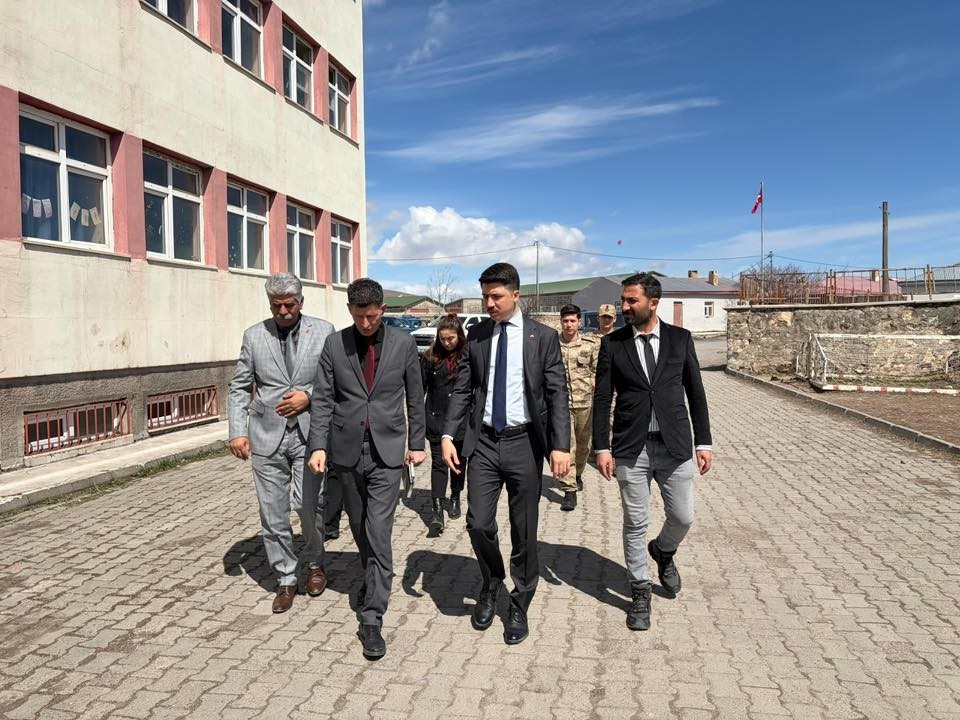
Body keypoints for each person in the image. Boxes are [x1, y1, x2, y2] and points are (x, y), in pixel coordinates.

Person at [442, 262, 570, 645]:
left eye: (496, 296)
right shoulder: (478, 335)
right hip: (482, 442)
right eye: (485, 296)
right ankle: (492, 580)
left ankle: (520, 600)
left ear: (516, 295)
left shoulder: (542, 338)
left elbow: (556, 393)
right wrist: (448, 434)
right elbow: (463, 389)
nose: (489, 303)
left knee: (523, 529)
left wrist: (560, 445)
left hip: (524, 443)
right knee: (477, 522)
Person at [307, 278, 426, 660]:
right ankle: (373, 576)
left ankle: (372, 616)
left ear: (382, 310)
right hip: (345, 451)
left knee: (378, 530)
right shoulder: (334, 344)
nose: (365, 324)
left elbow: (415, 396)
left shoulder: (403, 344)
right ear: (350, 311)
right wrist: (318, 445)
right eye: (359, 317)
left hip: (387, 452)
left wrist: (417, 443)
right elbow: (323, 399)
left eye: (372, 317)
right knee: (359, 528)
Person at [593, 273, 713, 631]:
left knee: (683, 516)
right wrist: (601, 446)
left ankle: (663, 550)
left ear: (653, 302)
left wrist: (704, 442)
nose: (624, 307)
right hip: (631, 447)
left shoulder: (680, 339)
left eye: (632, 301)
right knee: (635, 521)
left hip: (675, 445)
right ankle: (640, 590)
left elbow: (696, 392)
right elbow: (602, 398)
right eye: (623, 300)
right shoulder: (613, 344)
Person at [228, 273, 334, 613]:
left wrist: (309, 396)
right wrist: (237, 430)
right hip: (266, 434)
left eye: (289, 305)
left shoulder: (324, 331)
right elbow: (239, 386)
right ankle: (286, 578)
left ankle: (315, 563)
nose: (283, 311)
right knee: (273, 512)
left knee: (309, 504)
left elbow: (335, 380)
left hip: (310, 434)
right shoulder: (254, 335)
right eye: (276, 306)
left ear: (301, 302)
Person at [421, 315, 467, 535]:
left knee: (458, 463)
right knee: (439, 464)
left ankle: (455, 495)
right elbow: (420, 389)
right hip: (436, 419)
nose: (447, 343)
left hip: (461, 422)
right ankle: (437, 510)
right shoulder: (430, 358)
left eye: (451, 338)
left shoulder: (467, 356)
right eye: (443, 339)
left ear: (459, 336)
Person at [557, 304, 600, 510]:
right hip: (562, 404)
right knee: (568, 445)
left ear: (579, 322)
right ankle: (569, 490)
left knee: (584, 446)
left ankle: (578, 474)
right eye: (565, 321)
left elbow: (597, 369)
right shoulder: (553, 344)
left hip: (585, 401)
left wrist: (594, 382)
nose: (569, 324)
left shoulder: (590, 344)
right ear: (561, 322)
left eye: (572, 320)